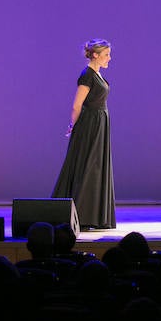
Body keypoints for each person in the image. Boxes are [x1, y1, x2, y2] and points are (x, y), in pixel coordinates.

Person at [51, 38, 116, 231]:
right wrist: (73, 125)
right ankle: (81, 215)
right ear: (95, 55)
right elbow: (77, 104)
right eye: (106, 55)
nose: (109, 59)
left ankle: (93, 215)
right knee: (87, 166)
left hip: (99, 124)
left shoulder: (96, 74)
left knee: (95, 166)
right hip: (90, 125)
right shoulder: (87, 75)